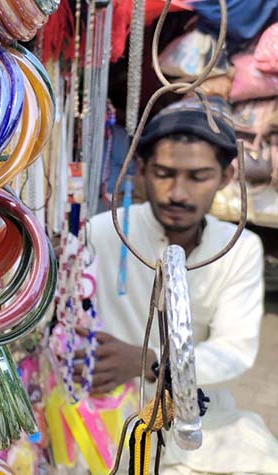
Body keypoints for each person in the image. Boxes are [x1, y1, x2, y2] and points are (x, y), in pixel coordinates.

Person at [86, 97, 278, 474]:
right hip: (104, 413)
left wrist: (150, 363)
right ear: (140, 170)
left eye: (198, 176)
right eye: (164, 173)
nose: (177, 192)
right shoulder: (103, 232)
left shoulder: (240, 248)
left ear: (225, 177)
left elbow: (234, 350)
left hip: (195, 413)